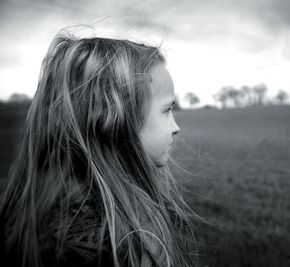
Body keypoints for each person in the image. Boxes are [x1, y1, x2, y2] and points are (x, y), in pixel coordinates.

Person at [0, 30, 196, 267]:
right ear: (115, 123)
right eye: (167, 110)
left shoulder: (120, 212)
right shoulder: (97, 246)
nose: (176, 127)